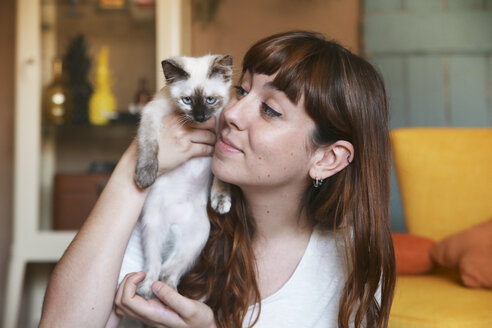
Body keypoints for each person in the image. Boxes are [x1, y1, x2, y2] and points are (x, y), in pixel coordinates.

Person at [40, 31, 395, 328]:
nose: (232, 113)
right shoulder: (180, 205)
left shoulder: (353, 261)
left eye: (270, 109)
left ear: (327, 158)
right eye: (241, 91)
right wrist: (134, 165)